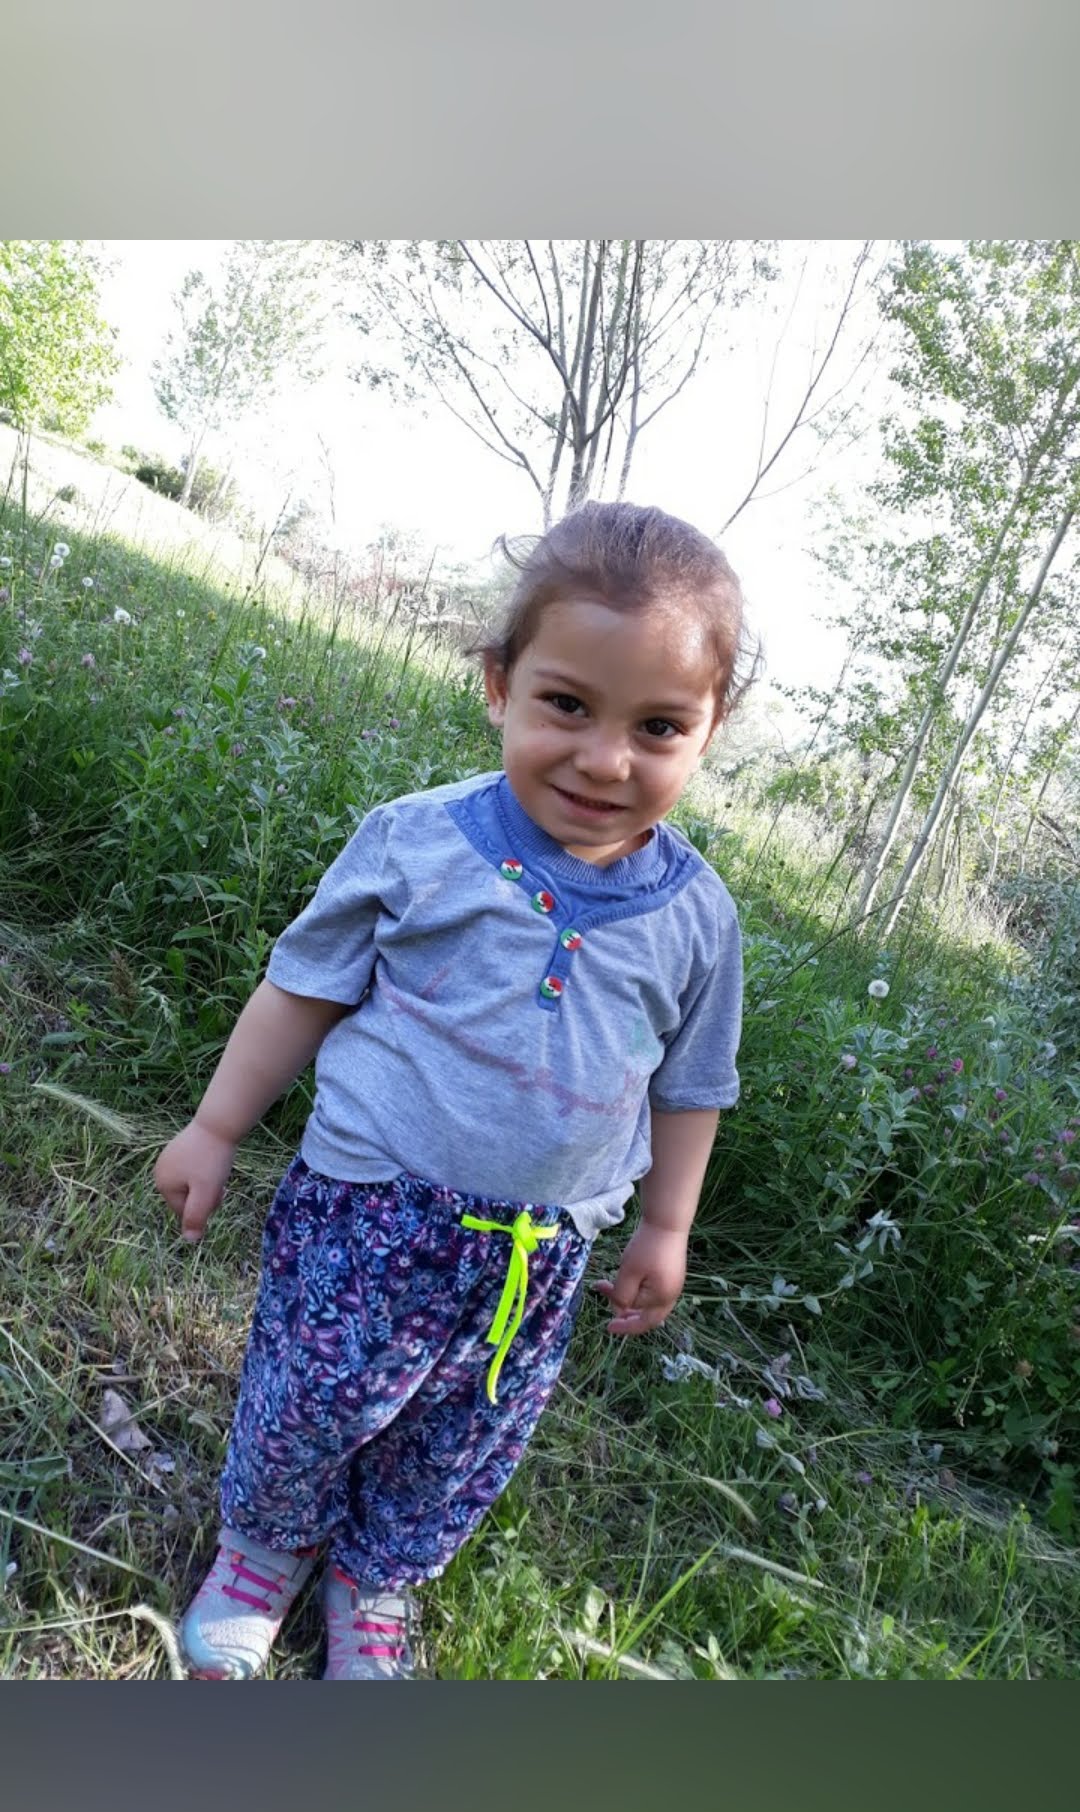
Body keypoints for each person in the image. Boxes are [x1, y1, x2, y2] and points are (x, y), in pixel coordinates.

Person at [153, 500, 755, 1681]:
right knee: (312, 1398)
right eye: (567, 705)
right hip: (368, 1209)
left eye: (658, 726)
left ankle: (374, 1583)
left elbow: (693, 1084)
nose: (605, 759)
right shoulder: (416, 843)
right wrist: (216, 1127)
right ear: (498, 685)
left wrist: (666, 1226)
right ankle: (264, 1552)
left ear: (708, 730)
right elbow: (301, 991)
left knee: (464, 1437)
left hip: (538, 1250)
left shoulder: (698, 919)